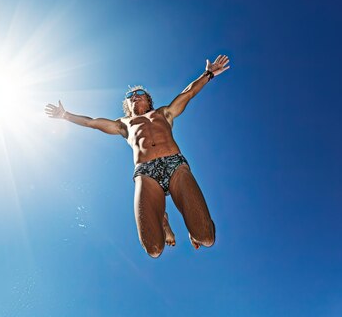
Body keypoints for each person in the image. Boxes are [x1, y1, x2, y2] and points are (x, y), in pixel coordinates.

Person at [45, 55, 230, 258]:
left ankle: (192, 227)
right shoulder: (123, 124)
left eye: (139, 93)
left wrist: (209, 73)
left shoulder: (164, 113)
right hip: (146, 172)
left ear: (148, 99)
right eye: (130, 96)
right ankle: (163, 220)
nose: (135, 96)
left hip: (174, 164)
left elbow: (189, 92)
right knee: (154, 249)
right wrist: (65, 115)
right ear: (127, 104)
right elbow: (92, 122)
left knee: (207, 238)